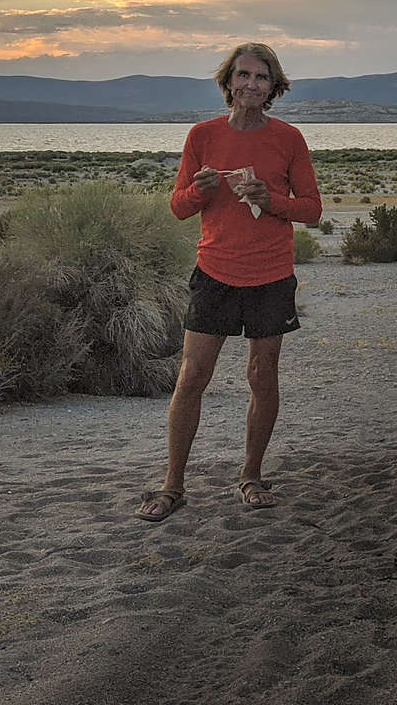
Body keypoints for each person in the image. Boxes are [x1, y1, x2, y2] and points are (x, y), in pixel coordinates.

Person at [136, 42, 322, 521]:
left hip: (271, 275)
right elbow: (178, 207)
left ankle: (252, 476)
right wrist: (199, 191)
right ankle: (172, 485)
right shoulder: (202, 136)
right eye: (243, 76)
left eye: (261, 78)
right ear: (228, 83)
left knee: (262, 377)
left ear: (273, 86)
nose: (251, 85)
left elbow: (313, 210)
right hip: (215, 273)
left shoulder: (289, 139)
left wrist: (271, 197)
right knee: (193, 375)